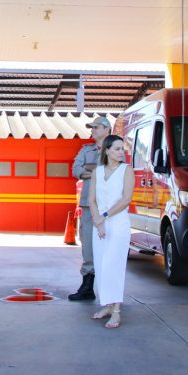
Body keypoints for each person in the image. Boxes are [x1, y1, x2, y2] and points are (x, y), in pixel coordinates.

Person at [88, 134, 135, 329]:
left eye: (122, 148)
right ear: (107, 150)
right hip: (99, 225)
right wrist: (98, 222)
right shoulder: (97, 172)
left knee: (113, 266)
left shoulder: (127, 170)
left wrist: (103, 217)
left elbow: (126, 200)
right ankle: (107, 305)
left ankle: (116, 311)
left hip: (118, 224)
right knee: (100, 266)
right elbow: (91, 200)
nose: (121, 152)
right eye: (116, 148)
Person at [68, 116, 111, 301]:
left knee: (109, 245)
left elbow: (115, 172)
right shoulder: (86, 150)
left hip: (109, 206)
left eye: (95, 127)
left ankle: (108, 288)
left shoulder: (115, 148)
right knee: (87, 245)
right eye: (91, 127)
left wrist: (92, 172)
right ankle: (87, 286)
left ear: (106, 129)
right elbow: (75, 170)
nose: (92, 130)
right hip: (88, 204)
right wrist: (94, 172)